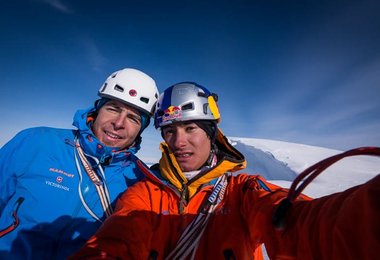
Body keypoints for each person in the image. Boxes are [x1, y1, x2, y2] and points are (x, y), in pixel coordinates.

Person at [71, 82, 379, 259]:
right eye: (169, 132)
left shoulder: (243, 191)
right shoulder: (144, 193)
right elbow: (116, 240)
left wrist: (368, 214)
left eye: (190, 128)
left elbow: (303, 223)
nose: (179, 142)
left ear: (211, 133)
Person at [0, 68, 159, 259]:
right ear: (97, 109)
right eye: (113, 108)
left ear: (141, 130)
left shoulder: (139, 179)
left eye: (133, 118)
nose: (119, 123)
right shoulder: (35, 141)